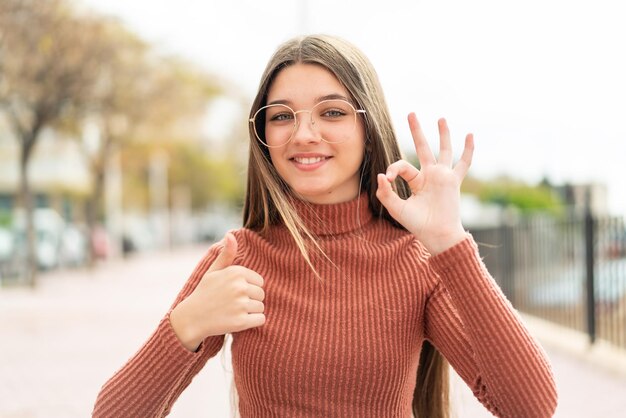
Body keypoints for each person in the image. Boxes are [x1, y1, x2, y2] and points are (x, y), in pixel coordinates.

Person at [92, 34, 557, 418]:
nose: (303, 134)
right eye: (281, 117)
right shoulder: (238, 260)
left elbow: (532, 408)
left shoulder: (415, 262)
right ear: (264, 136)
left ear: (367, 126)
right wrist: (187, 325)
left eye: (332, 112)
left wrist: (450, 243)